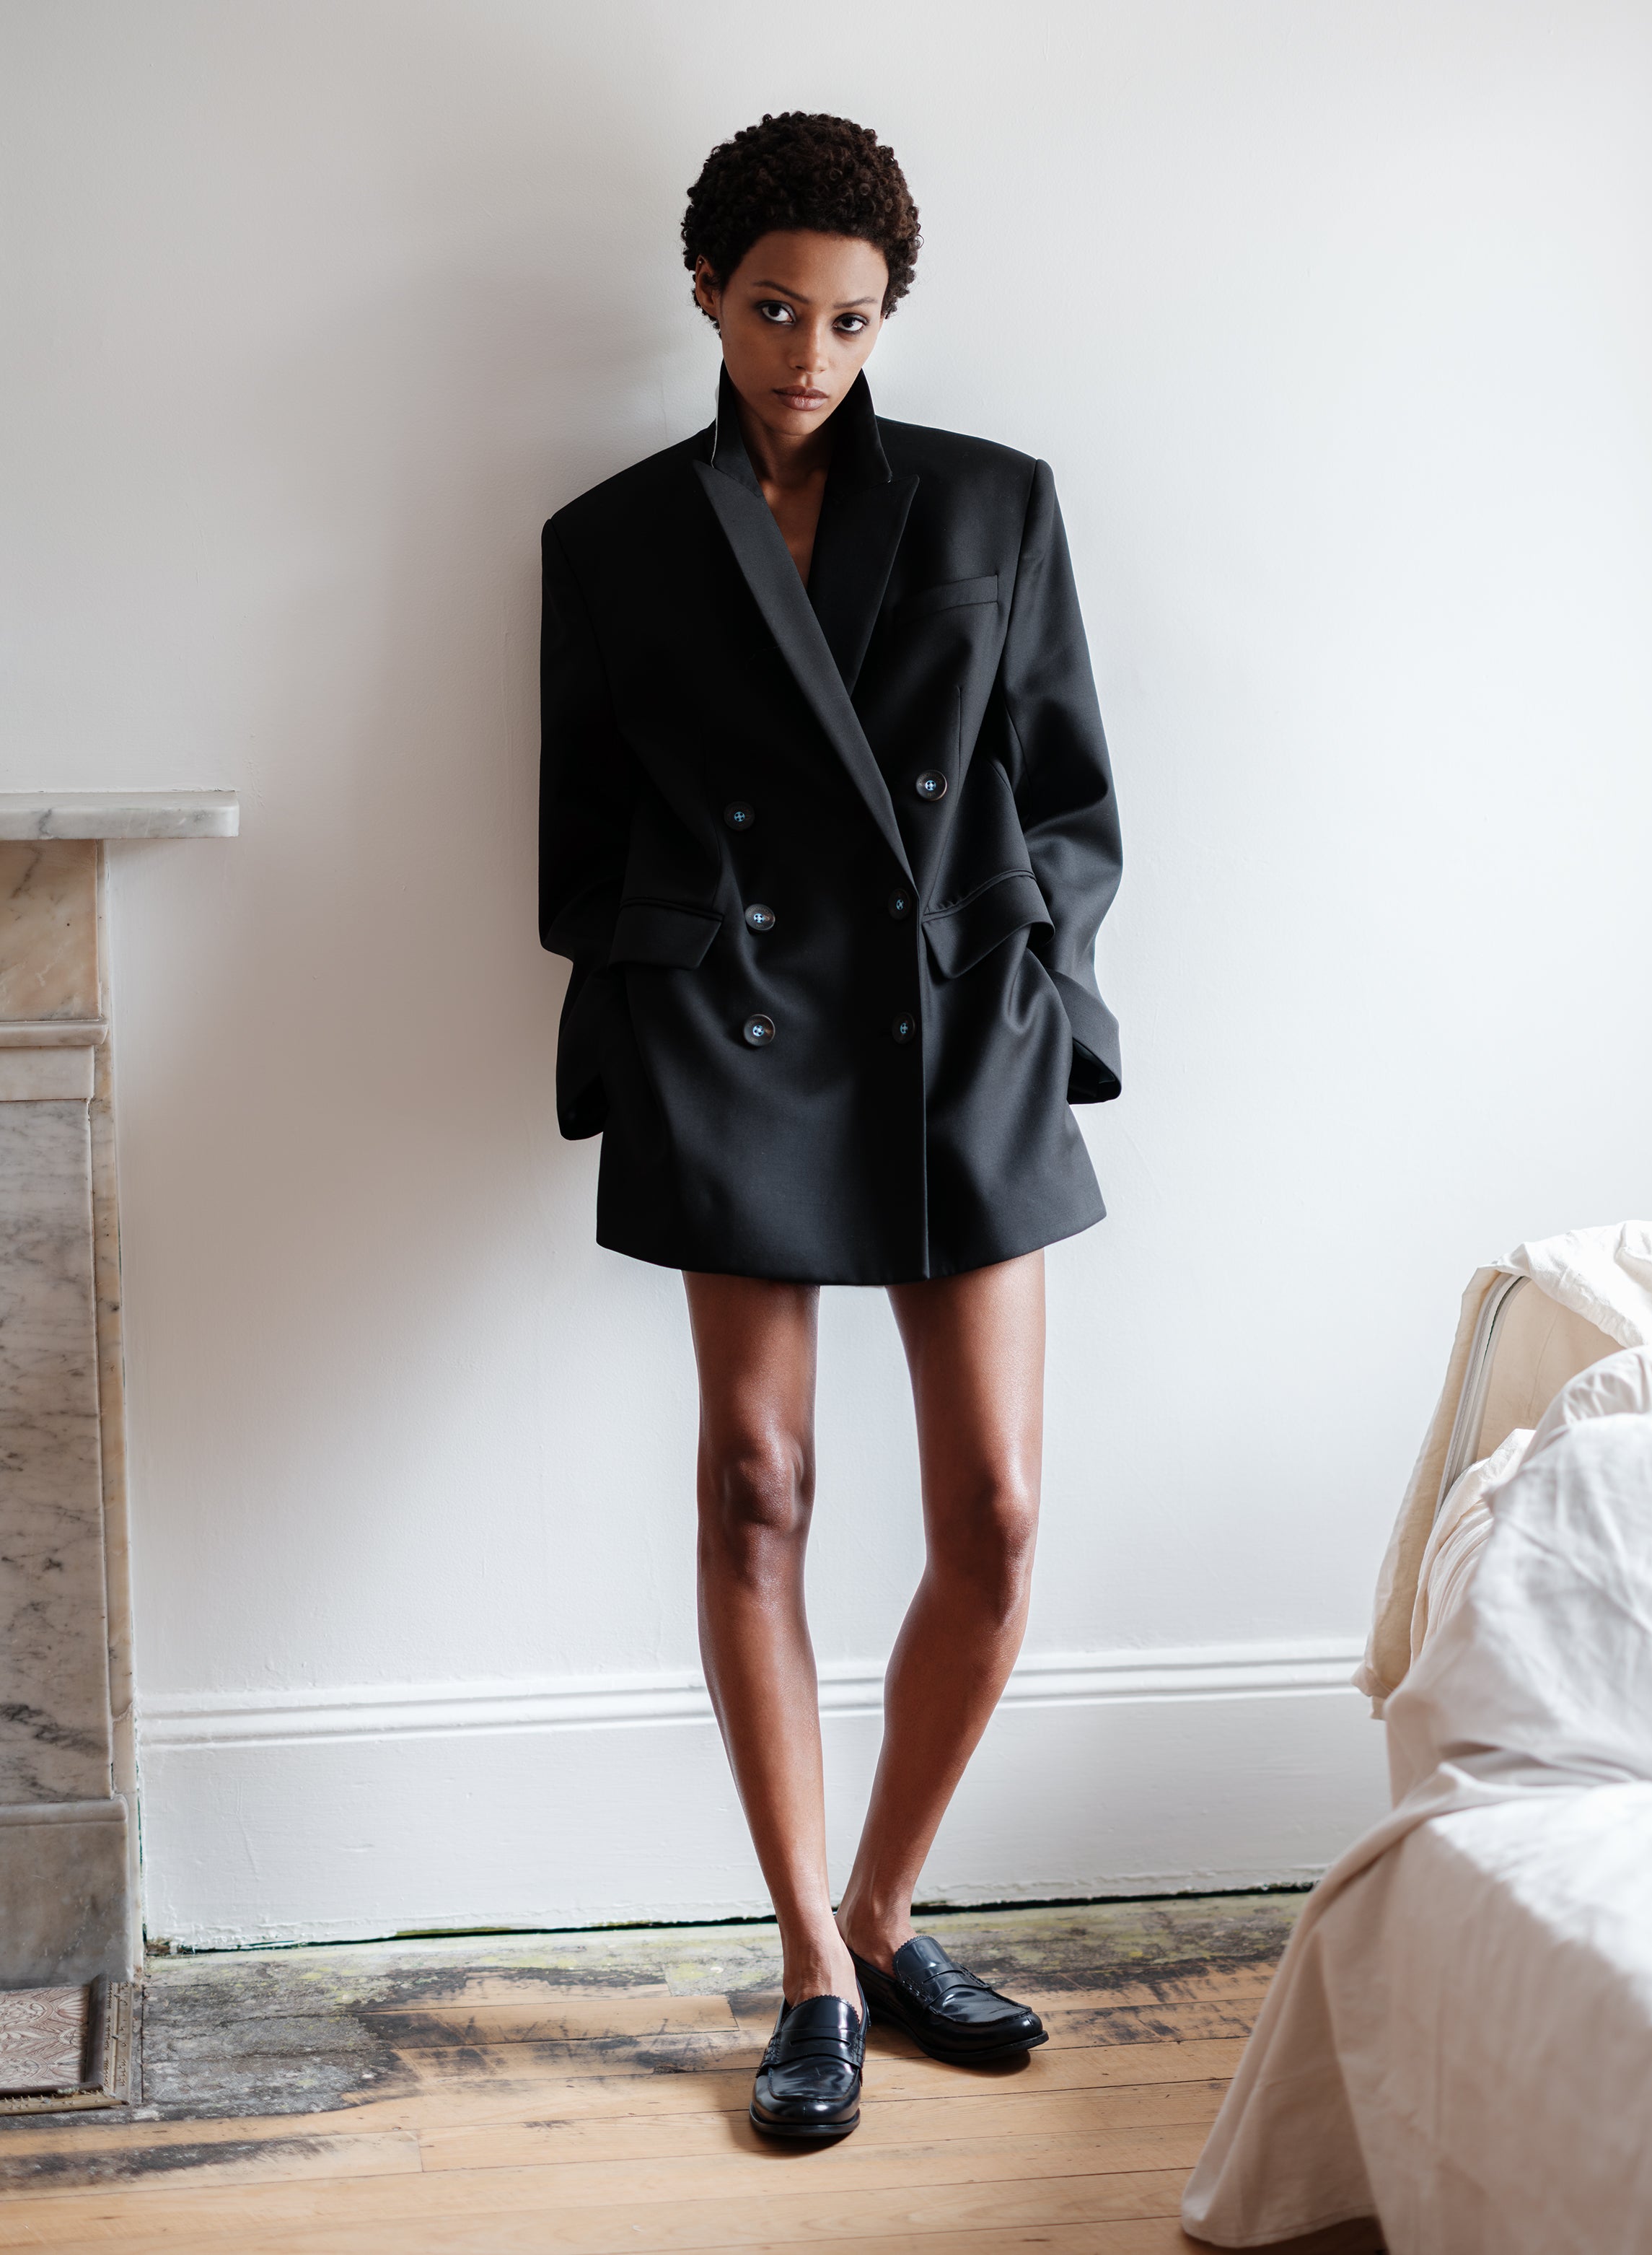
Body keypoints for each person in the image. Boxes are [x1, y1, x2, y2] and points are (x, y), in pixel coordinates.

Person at [540, 111, 1122, 2141]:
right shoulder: (609, 542)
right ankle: (808, 1964)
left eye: (849, 319)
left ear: (888, 324)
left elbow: (1064, 806)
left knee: (1000, 1513)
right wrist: (668, 977)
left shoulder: (995, 505)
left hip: (956, 1033)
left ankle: (887, 1909)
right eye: (775, 306)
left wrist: (1030, 977)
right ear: (708, 292)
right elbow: (578, 851)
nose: (808, 350)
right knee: (758, 1491)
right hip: (740, 1036)